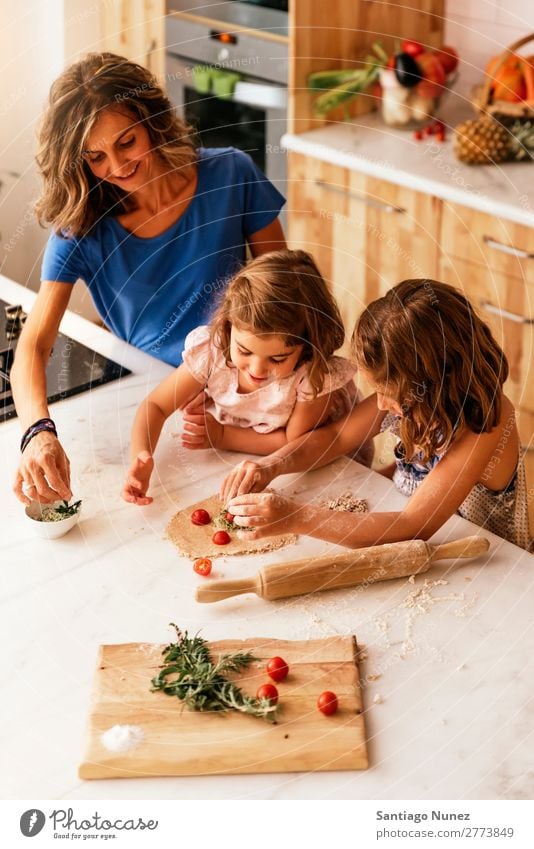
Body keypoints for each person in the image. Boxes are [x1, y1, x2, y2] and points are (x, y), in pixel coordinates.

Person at [12, 52, 285, 506]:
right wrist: (38, 434)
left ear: (152, 119)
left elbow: (288, 295)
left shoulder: (231, 173)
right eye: (95, 157)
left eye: (127, 142)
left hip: (251, 389)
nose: (116, 166)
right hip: (156, 402)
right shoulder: (81, 225)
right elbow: (33, 345)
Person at [222, 279, 533, 552]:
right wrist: (271, 465)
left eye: (392, 395)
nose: (381, 404)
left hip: (488, 558)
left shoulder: (488, 421)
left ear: (438, 382)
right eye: (378, 390)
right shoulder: (408, 395)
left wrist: (296, 516)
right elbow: (336, 436)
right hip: (409, 529)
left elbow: (414, 525)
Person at [121, 249, 359, 505]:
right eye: (244, 351)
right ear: (227, 326)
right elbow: (155, 405)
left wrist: (223, 436)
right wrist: (141, 456)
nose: (257, 370)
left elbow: (296, 443)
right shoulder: (212, 352)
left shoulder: (313, 376)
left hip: (327, 465)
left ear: (308, 346)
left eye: (277, 359)